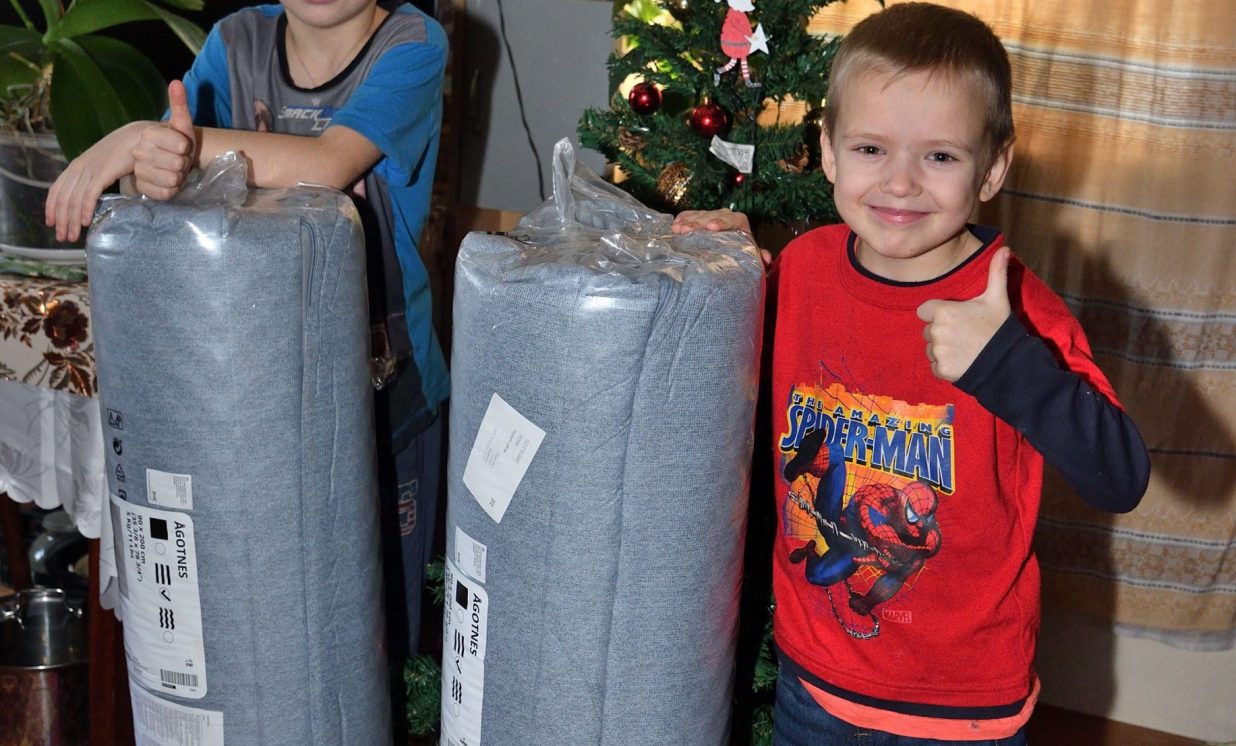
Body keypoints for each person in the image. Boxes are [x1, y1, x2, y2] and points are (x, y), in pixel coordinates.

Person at [673, 3, 1150, 743]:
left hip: (965, 708)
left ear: (992, 168)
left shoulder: (1015, 311)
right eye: (870, 149)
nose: (900, 184)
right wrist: (727, 266)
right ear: (828, 151)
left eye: (940, 157)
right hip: (814, 686)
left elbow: (1121, 477)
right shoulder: (803, 270)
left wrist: (1008, 364)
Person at [46, 0, 450, 666]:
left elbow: (329, 165)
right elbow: (166, 172)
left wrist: (146, 139)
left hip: (385, 403)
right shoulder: (235, 43)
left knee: (376, 635)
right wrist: (153, 166)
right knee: (271, 622)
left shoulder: (412, 44)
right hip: (258, 399)